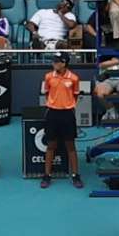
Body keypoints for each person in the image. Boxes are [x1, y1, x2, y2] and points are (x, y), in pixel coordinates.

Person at [39, 53, 81, 188]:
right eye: (54, 61)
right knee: (51, 145)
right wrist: (55, 104)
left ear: (64, 63)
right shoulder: (48, 77)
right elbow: (47, 93)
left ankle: (75, 175)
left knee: (70, 146)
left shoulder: (74, 78)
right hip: (52, 114)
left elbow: (75, 96)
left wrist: (66, 105)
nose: (54, 64)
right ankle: (47, 175)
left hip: (68, 115)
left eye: (57, 61)